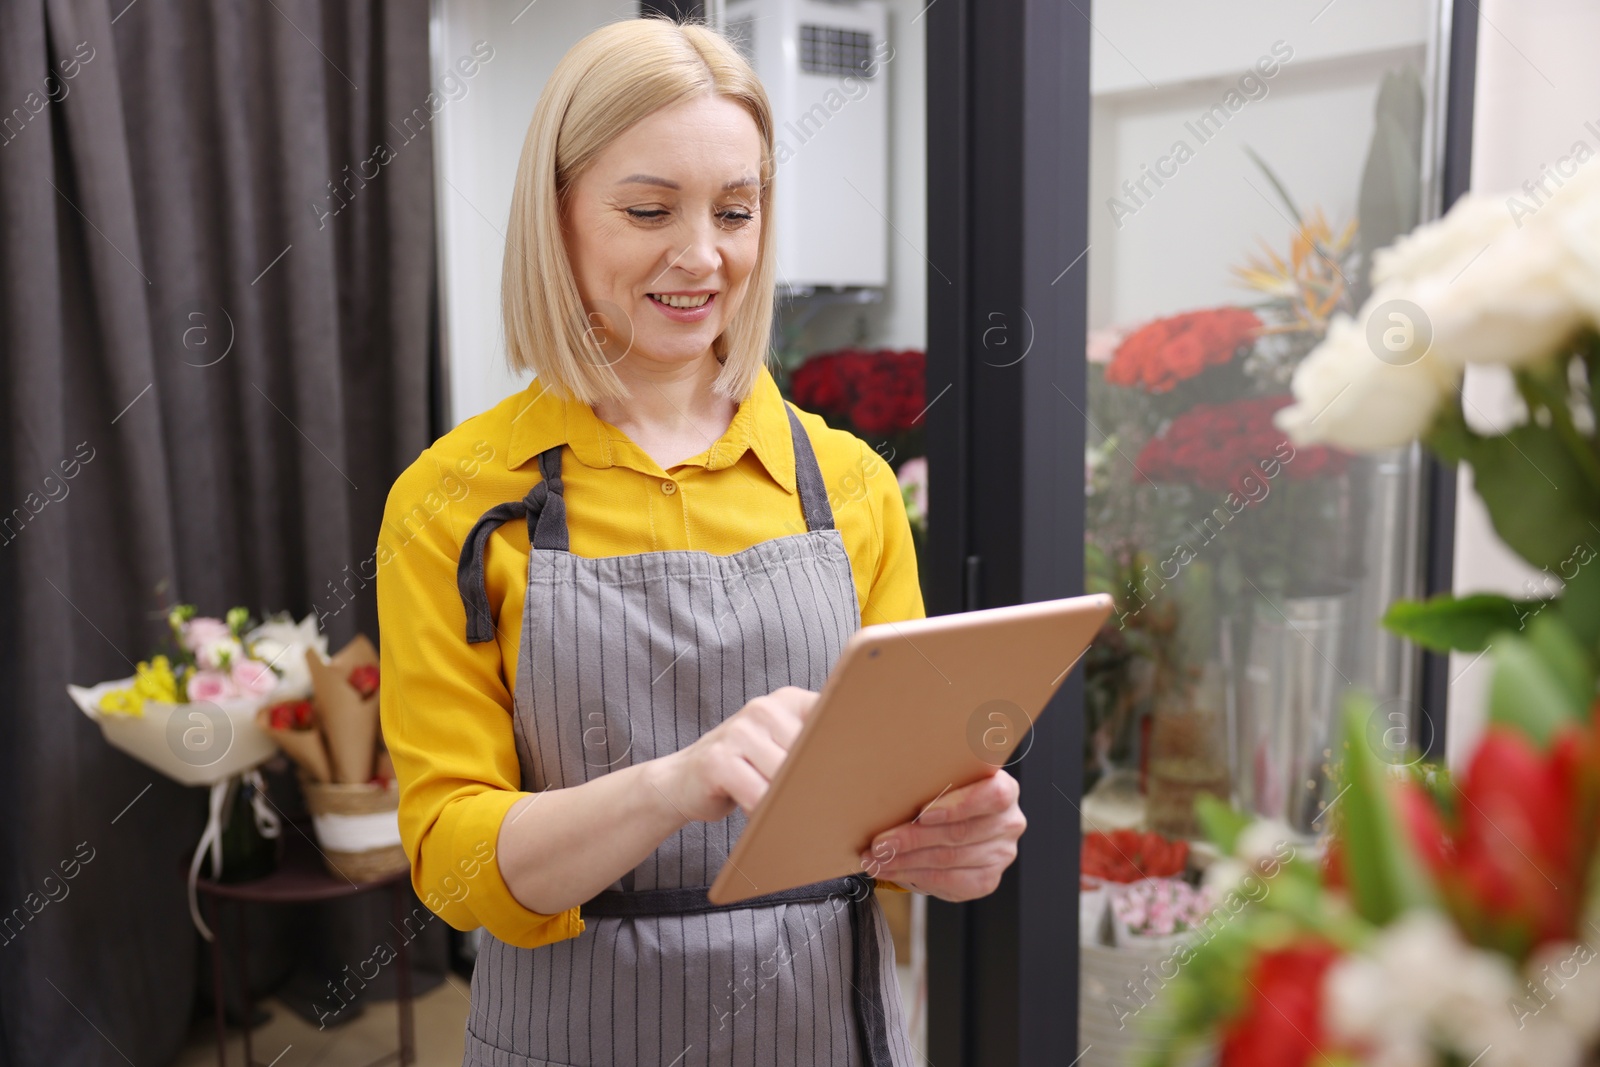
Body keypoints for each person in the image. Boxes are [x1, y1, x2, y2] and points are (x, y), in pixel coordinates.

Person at [377, 16, 1026, 1067]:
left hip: (825, 1027)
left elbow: (901, 808)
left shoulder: (849, 486)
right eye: (647, 209)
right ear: (557, 216)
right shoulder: (451, 500)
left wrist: (960, 842)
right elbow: (453, 870)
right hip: (571, 1033)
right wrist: (677, 781)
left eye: (736, 209)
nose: (701, 255)